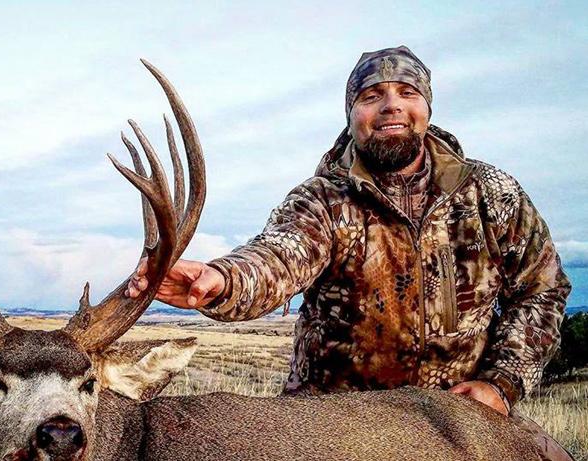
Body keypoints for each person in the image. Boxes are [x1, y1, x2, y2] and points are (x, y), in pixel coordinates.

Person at [126, 46, 573, 459]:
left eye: (407, 92)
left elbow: (543, 289)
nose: (391, 105)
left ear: (427, 108)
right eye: (372, 95)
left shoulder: (489, 193)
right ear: (352, 114)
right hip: (332, 426)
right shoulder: (323, 200)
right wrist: (222, 281)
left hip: (459, 420)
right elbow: (279, 256)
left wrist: (501, 384)